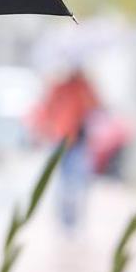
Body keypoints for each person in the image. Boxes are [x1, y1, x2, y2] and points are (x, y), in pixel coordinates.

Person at [30, 67, 101, 234]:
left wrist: (86, 85)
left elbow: (95, 106)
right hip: (62, 140)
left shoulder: (83, 87)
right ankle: (65, 221)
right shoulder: (59, 88)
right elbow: (47, 110)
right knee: (65, 183)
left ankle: (72, 220)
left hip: (78, 140)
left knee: (76, 182)